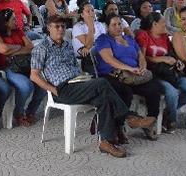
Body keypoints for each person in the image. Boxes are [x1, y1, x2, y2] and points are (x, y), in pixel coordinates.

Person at [30, 15, 156, 158]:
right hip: (62, 89)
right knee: (103, 83)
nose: (60, 29)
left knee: (103, 98)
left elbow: (74, 67)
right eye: (56, 26)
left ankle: (106, 142)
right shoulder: (41, 48)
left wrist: (83, 77)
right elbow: (34, 76)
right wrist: (54, 91)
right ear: (49, 28)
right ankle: (130, 117)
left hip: (77, 83)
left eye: (63, 26)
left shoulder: (66, 45)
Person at [94, 14, 163, 140]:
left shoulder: (130, 39)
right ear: (107, 27)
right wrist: (129, 68)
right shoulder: (103, 39)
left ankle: (150, 121)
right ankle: (119, 126)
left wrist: (142, 67)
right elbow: (109, 59)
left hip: (134, 75)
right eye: (113, 25)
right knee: (125, 91)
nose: (118, 27)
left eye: (119, 24)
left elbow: (140, 56)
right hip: (114, 75)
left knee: (154, 88)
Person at [135, 13, 186, 133]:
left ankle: (167, 112)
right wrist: (161, 59)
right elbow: (142, 58)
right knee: (172, 93)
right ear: (154, 24)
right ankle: (171, 120)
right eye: (163, 22)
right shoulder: (144, 36)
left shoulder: (164, 37)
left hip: (170, 72)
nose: (166, 24)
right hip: (154, 73)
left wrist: (177, 62)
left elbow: (171, 53)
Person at [0, 9, 45, 126]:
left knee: (43, 85)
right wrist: (20, 47)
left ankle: (30, 112)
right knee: (26, 86)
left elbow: (30, 46)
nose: (17, 21)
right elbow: (3, 49)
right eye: (13, 19)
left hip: (24, 64)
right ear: (5, 22)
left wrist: (12, 51)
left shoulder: (17, 31)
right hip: (7, 67)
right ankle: (19, 113)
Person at [71, 0, 106, 73]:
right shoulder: (78, 27)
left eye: (92, 10)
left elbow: (104, 40)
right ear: (82, 15)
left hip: (100, 50)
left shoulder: (99, 24)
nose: (91, 13)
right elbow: (88, 45)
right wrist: (90, 25)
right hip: (85, 56)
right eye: (88, 11)